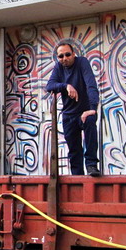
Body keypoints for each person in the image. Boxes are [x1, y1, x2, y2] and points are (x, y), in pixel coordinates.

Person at [45, 41, 101, 176]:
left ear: (74, 54)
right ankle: (77, 178)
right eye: (61, 56)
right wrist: (66, 86)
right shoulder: (59, 67)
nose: (64, 58)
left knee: (90, 121)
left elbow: (91, 85)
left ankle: (91, 165)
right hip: (69, 114)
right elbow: (49, 86)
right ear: (58, 58)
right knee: (74, 151)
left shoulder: (82, 62)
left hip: (85, 111)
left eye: (68, 54)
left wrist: (92, 108)